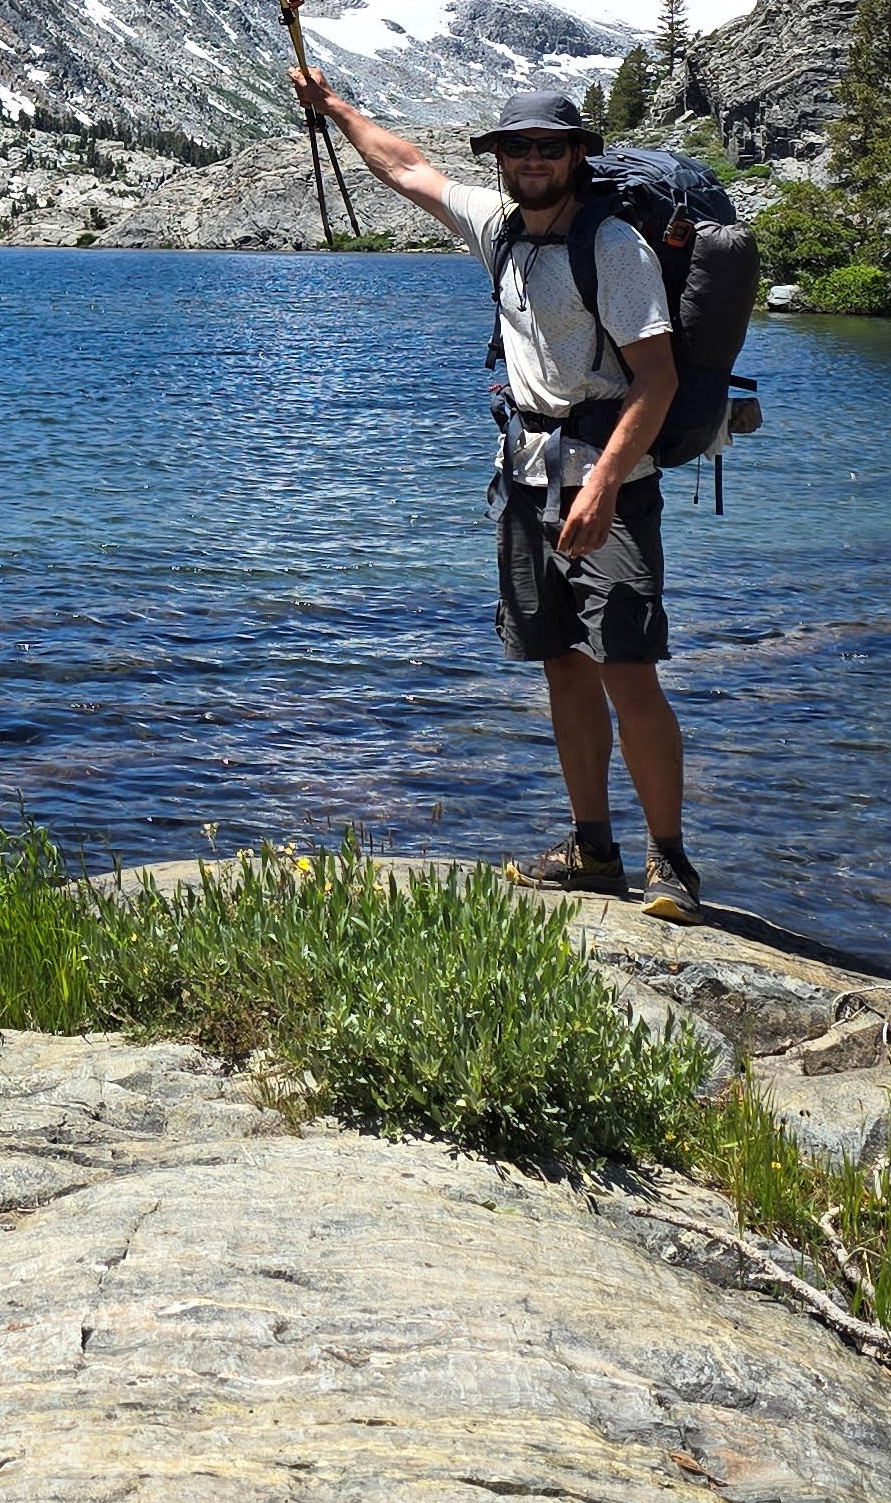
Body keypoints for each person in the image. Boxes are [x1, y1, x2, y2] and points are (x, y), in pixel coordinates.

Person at [291, 71, 701, 921]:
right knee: (561, 664)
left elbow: (655, 381)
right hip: (526, 477)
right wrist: (333, 106)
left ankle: (671, 866)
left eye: (550, 148)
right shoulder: (501, 229)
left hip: (612, 486)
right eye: (517, 148)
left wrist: (608, 485)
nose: (533, 161)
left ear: (577, 155)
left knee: (628, 669)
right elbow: (404, 169)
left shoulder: (615, 248)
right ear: (501, 158)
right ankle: (593, 847)